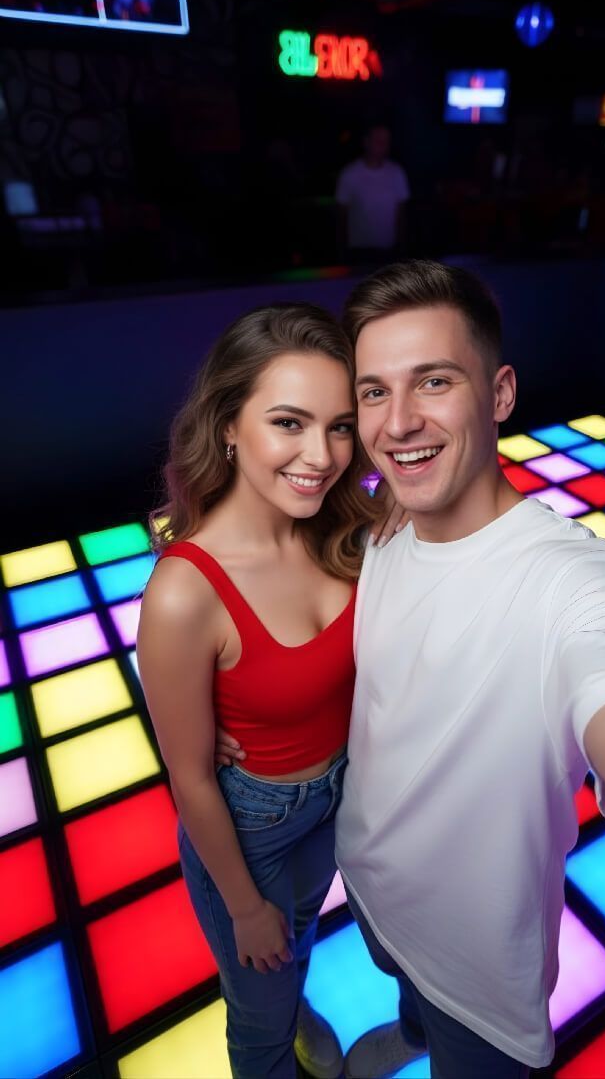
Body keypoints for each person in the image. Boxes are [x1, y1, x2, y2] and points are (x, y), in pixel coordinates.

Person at [213, 261, 605, 1079]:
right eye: (374, 391)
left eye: (434, 381)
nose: (399, 422)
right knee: (407, 997)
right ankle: (412, 1030)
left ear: (499, 394)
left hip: (479, 979)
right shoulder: (380, 520)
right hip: (372, 889)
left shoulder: (575, 583)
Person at [136, 302, 402, 1079]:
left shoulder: (345, 526)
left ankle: (295, 1001)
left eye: (340, 426)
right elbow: (190, 776)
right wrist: (245, 906)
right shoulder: (184, 591)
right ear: (228, 425)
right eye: (289, 422)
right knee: (258, 1025)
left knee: (298, 945)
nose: (321, 455)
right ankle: (278, 1013)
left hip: (338, 800)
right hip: (251, 828)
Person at [335, 125, 410, 261]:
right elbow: (341, 217)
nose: (383, 145)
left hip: (389, 253)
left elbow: (402, 214)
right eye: (378, 140)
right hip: (358, 254)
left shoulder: (397, 172)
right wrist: (341, 252)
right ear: (366, 142)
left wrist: (402, 250)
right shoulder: (349, 174)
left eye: (386, 141)